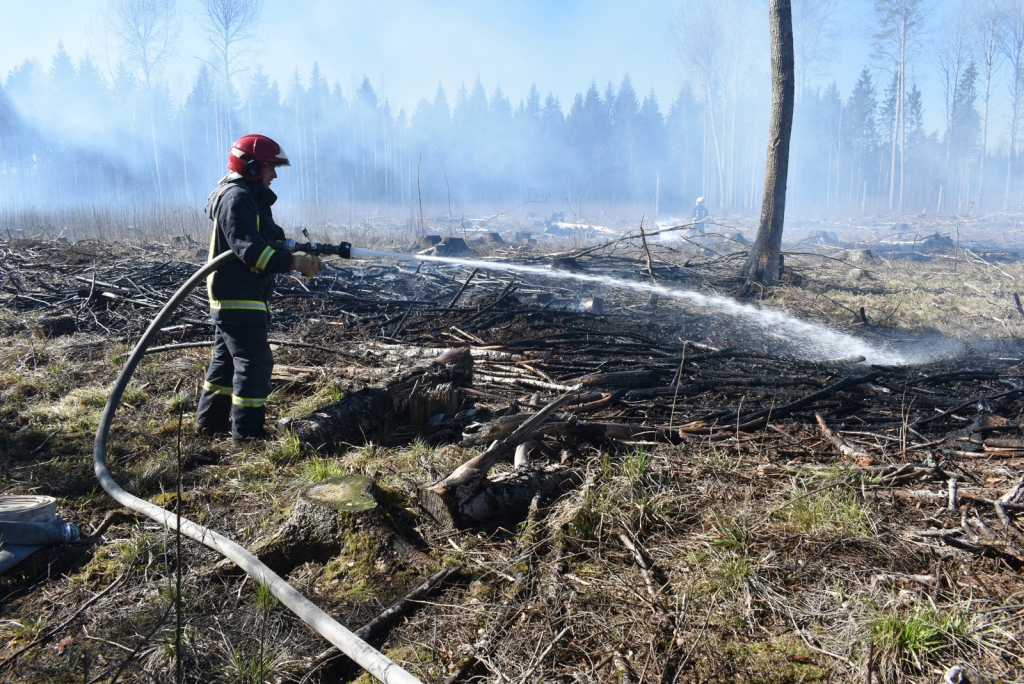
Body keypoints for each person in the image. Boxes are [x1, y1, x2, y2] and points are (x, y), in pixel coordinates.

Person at [194, 134, 323, 442]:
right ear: (251, 166)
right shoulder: (236, 198)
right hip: (238, 296)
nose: (274, 174)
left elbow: (267, 239)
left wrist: (296, 250)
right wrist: (293, 263)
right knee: (255, 363)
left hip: (236, 294)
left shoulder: (249, 197)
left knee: (225, 363)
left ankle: (210, 424)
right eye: (270, 167)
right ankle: (248, 435)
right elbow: (251, 251)